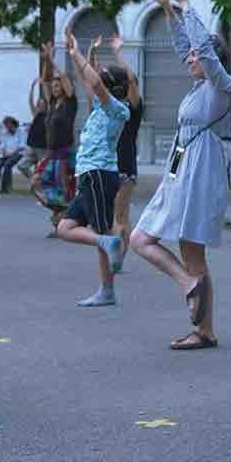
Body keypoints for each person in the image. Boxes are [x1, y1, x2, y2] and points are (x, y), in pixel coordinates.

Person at [131, 0, 231, 350]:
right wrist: (167, 6)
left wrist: (188, 3)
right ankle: (187, 284)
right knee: (141, 238)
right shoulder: (197, 88)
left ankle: (205, 330)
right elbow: (184, 45)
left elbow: (203, 51)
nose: (190, 57)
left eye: (197, 54)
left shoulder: (223, 86)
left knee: (193, 250)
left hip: (201, 168)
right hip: (181, 166)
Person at [57, 31, 132, 308]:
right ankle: (104, 244)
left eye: (101, 77)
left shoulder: (117, 109)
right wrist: (75, 52)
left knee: (102, 229)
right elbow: (85, 79)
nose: (95, 78)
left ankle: (107, 290)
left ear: (110, 87)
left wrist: (78, 54)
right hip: (89, 173)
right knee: (65, 228)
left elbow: (95, 83)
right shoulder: (103, 106)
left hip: (99, 173)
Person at [93, 33, 143, 268]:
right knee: (122, 216)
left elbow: (130, 80)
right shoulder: (119, 108)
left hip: (121, 166)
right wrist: (108, 53)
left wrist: (115, 53)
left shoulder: (125, 110)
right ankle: (120, 257)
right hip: (119, 165)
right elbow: (93, 79)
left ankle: (117, 259)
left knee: (118, 218)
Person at [32, 41, 78, 230]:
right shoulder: (51, 106)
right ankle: (61, 212)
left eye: (59, 86)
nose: (56, 89)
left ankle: (62, 219)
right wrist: (47, 60)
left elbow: (66, 80)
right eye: (55, 87)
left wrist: (55, 61)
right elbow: (44, 82)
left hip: (65, 153)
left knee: (64, 188)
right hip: (50, 154)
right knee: (36, 182)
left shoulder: (70, 105)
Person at [17, 78, 47, 180]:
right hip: (32, 146)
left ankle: (41, 187)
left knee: (42, 169)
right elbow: (30, 102)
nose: (40, 106)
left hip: (43, 147)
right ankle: (33, 180)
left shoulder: (49, 115)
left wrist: (44, 85)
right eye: (39, 104)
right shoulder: (36, 114)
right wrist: (32, 88)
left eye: (42, 104)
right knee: (21, 165)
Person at [0, 116, 24, 194]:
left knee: (7, 165)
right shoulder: (5, 133)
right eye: (6, 126)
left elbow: (22, 146)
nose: (7, 128)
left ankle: (5, 188)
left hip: (18, 153)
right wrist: (3, 152)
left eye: (9, 126)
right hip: (6, 154)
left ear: (13, 125)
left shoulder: (21, 132)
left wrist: (11, 153)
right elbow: (2, 145)